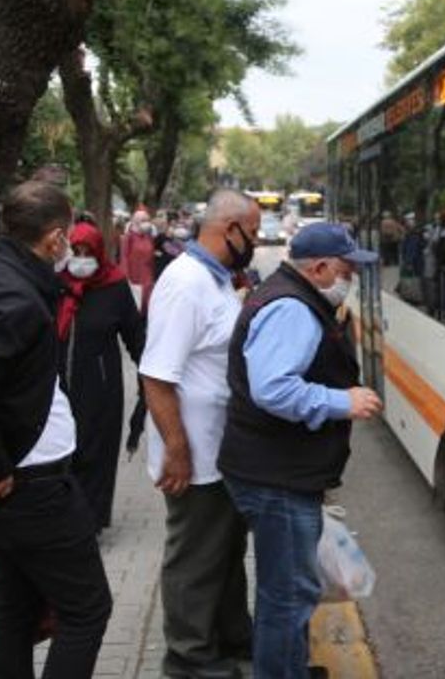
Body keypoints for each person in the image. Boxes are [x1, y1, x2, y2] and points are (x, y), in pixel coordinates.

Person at [0, 181, 112, 677]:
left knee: (16, 608)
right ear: (54, 238)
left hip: (27, 483)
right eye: (69, 236)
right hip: (33, 487)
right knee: (88, 608)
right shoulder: (14, 296)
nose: (72, 247)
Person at [219, 223, 383, 679]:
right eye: (348, 269)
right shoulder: (292, 308)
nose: (350, 278)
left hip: (274, 468)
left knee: (286, 590)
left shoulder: (288, 294)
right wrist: (341, 401)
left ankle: (287, 665)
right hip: (276, 476)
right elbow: (273, 389)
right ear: (321, 267)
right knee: (288, 595)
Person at [140, 189, 260, 679]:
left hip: (218, 449)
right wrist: (177, 449)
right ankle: (188, 659)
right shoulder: (186, 284)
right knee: (195, 558)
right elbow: (156, 375)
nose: (254, 242)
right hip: (194, 453)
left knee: (225, 552)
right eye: (251, 233)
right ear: (227, 228)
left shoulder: (213, 281)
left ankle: (231, 639)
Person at [58, 221, 146, 531]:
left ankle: (90, 521)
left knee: (95, 451)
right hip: (57, 386)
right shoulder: (56, 284)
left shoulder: (114, 285)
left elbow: (135, 335)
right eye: (76, 251)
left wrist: (148, 380)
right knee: (64, 451)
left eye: (87, 252)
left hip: (100, 385)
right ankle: (64, 517)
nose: (81, 259)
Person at [122, 209, 156, 310]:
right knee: (135, 307)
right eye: (143, 220)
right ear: (135, 222)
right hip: (134, 279)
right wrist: (126, 279)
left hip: (147, 278)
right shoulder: (129, 238)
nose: (147, 223)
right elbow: (124, 258)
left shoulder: (148, 237)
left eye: (148, 220)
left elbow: (151, 258)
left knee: (147, 306)